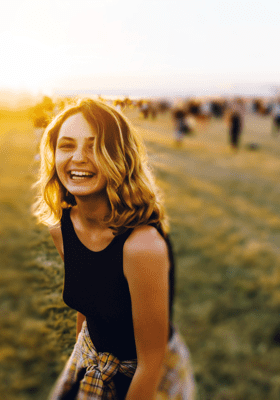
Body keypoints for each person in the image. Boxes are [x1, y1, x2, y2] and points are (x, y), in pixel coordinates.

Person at [33, 99, 195, 399]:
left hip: (148, 376)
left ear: (119, 157)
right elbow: (88, 304)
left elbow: (151, 361)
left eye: (94, 147)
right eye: (67, 146)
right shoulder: (62, 229)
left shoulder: (142, 246)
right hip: (92, 358)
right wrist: (80, 359)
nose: (78, 158)